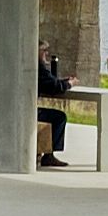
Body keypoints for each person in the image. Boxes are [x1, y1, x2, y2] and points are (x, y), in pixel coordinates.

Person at [37, 40, 73, 168]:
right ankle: (49, 155)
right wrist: (69, 84)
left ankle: (41, 152)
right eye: (44, 51)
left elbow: (49, 83)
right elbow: (54, 86)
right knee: (59, 117)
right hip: (28, 112)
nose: (46, 54)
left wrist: (62, 82)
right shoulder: (38, 68)